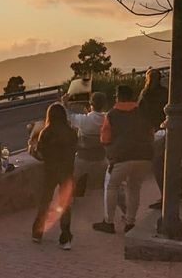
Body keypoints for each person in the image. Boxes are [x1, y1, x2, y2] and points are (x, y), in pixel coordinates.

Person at [93, 84, 157, 235]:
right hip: (144, 156)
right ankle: (130, 222)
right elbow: (151, 133)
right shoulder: (142, 112)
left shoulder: (112, 115)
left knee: (112, 186)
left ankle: (108, 222)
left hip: (121, 158)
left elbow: (105, 138)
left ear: (118, 97)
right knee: (134, 188)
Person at [28, 102, 78, 249]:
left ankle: (37, 233)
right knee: (65, 204)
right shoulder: (71, 132)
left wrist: (33, 151)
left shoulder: (46, 132)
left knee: (45, 201)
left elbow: (41, 154)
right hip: (67, 170)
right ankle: (65, 238)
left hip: (50, 170)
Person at [70, 91, 109, 197]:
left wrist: (64, 103)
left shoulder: (84, 120)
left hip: (83, 158)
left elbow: (68, 116)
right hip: (101, 158)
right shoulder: (107, 119)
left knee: (69, 179)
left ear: (90, 104)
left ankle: (67, 205)